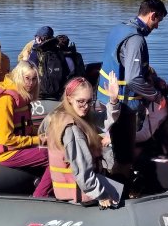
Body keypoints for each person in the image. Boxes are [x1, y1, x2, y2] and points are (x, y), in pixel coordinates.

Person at [96, 0, 168, 179]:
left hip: (106, 100)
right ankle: (119, 194)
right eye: (158, 21)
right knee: (125, 158)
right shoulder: (136, 39)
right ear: (152, 15)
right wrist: (156, 96)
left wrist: (152, 78)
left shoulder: (119, 29)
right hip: (123, 106)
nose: (157, 26)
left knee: (118, 147)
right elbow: (133, 79)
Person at [47, 73, 122, 207]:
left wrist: (113, 100)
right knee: (123, 194)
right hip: (81, 193)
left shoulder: (75, 115)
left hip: (86, 186)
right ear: (69, 98)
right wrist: (101, 194)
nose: (85, 106)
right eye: (81, 101)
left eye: (89, 101)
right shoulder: (72, 128)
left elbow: (105, 120)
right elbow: (82, 171)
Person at [0, 61, 52, 197]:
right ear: (18, 77)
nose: (31, 83)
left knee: (58, 147)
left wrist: (48, 135)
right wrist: (39, 140)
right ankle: (40, 196)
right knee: (52, 155)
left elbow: (26, 128)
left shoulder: (22, 98)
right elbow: (6, 139)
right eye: (27, 78)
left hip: (19, 148)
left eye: (34, 79)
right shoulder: (5, 100)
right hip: (5, 153)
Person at [29, 26, 71, 100]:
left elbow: (29, 68)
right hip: (59, 92)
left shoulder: (37, 53)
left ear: (39, 38)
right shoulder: (58, 51)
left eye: (36, 37)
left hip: (42, 92)